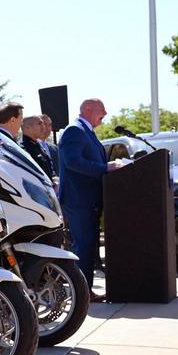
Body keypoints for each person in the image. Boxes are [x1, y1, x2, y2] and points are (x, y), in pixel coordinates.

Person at [58, 98, 113, 297]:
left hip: (88, 199)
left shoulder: (86, 131)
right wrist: (106, 168)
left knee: (89, 246)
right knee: (83, 245)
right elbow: (73, 162)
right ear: (88, 109)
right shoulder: (74, 130)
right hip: (78, 199)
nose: (105, 113)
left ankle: (85, 291)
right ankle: (81, 294)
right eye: (102, 109)